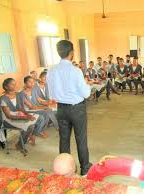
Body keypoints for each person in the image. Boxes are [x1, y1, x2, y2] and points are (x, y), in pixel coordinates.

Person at [47, 40, 92, 175]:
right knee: (81, 139)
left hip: (61, 109)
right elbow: (86, 93)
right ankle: (84, 168)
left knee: (64, 139)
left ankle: (64, 170)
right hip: (76, 109)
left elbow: (51, 94)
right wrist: (88, 85)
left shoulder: (51, 71)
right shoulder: (76, 71)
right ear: (71, 52)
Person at [0, 78, 46, 154]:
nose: (14, 86)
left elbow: (20, 108)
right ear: (6, 86)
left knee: (39, 118)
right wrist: (26, 117)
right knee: (30, 126)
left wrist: (27, 114)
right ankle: (20, 144)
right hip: (9, 120)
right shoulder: (3, 99)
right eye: (12, 84)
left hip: (18, 115)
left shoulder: (17, 95)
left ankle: (30, 137)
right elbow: (9, 116)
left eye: (14, 84)